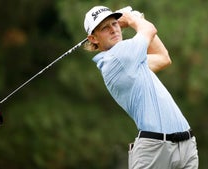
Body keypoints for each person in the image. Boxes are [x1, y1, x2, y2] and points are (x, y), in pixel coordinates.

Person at [83, 5, 199, 169]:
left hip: (185, 145)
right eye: (104, 28)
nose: (113, 30)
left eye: (114, 24)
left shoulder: (130, 59)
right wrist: (131, 18)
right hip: (155, 148)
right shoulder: (117, 57)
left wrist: (139, 19)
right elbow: (150, 30)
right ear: (93, 38)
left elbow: (163, 57)